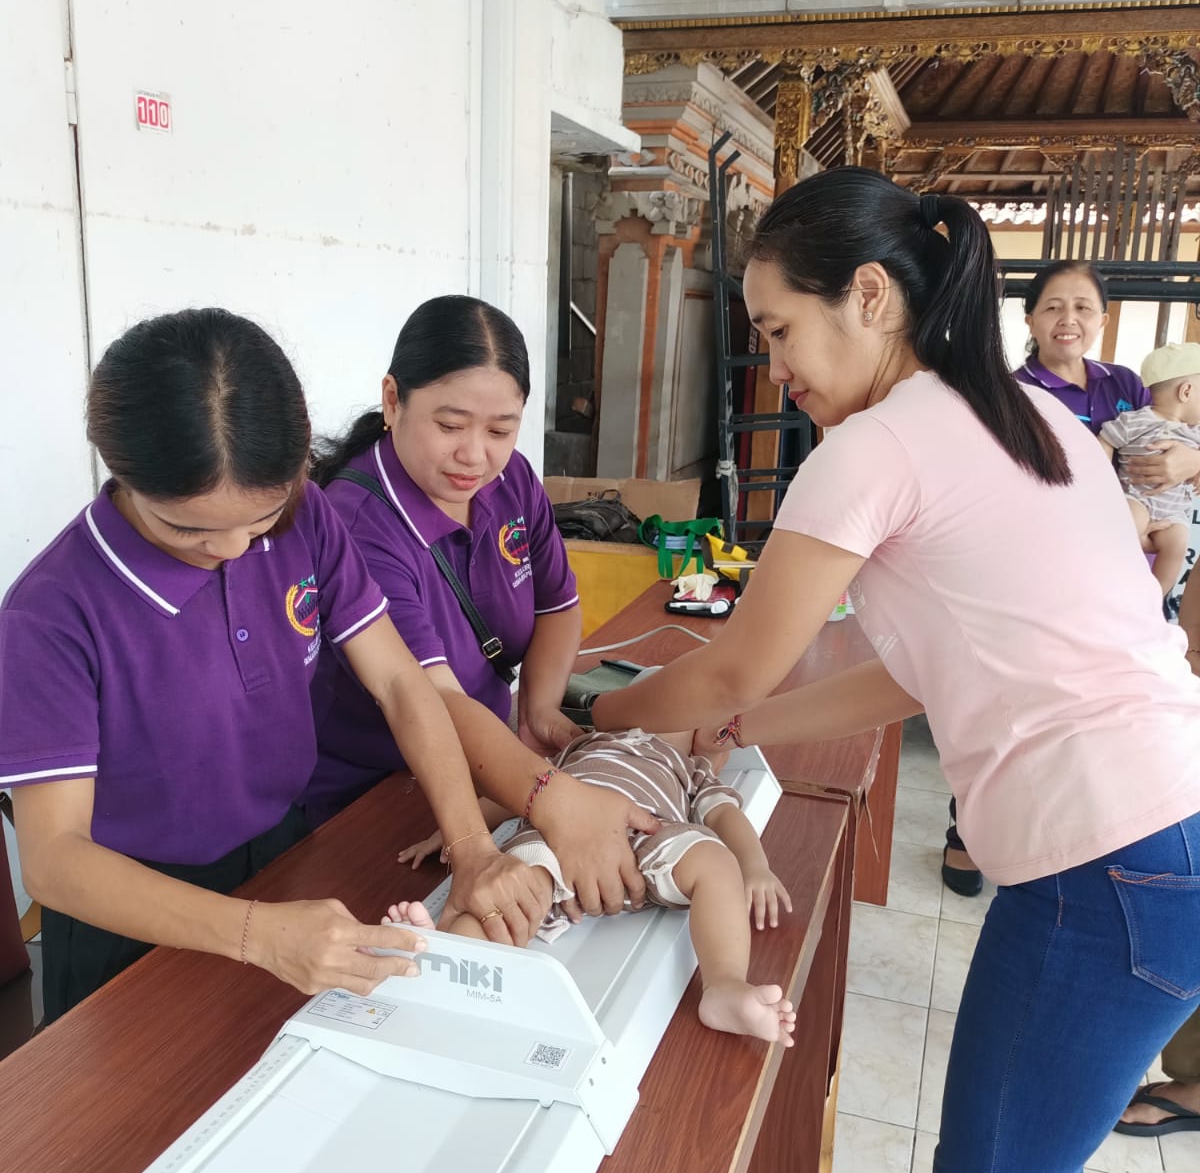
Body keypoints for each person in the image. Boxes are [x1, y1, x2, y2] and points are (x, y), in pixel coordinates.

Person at [590, 169, 1200, 1173]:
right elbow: (918, 674)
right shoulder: (1034, 425)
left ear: (870, 295)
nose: (774, 367)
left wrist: (597, 718)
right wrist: (752, 724)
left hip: (1106, 866)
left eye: (778, 329)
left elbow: (715, 673)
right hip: (1165, 829)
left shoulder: (873, 446)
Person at [0, 309, 493, 1021]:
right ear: (120, 468)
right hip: (135, 915)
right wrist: (255, 934)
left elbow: (398, 680)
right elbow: (55, 860)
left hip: (288, 857)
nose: (234, 550)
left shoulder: (312, 516)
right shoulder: (52, 613)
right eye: (188, 528)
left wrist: (471, 846)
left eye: (261, 521)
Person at [306, 296, 658, 948]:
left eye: (501, 430)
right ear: (392, 400)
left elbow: (556, 603)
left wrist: (541, 709)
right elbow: (431, 698)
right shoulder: (358, 523)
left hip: (489, 770)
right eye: (451, 424)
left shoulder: (511, 483)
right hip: (369, 798)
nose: (475, 455)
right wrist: (555, 801)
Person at [940, 259, 1197, 896]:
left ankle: (1074, 843)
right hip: (1040, 584)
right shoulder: (1008, 391)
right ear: (1028, 318)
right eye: (1054, 306)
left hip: (1125, 584)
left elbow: (1163, 448)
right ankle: (965, 835)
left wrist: (1188, 458)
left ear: (1102, 319)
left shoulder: (1126, 385)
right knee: (1011, 717)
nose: (1069, 320)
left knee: (1091, 726)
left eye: (1083, 307)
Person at [384, 725, 796, 1045]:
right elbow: (517, 791)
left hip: (647, 833)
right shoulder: (586, 744)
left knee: (716, 861)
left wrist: (754, 866)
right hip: (559, 834)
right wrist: (455, 828)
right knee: (512, 887)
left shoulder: (688, 768)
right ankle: (447, 956)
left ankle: (723, 984)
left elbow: (726, 817)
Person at [1100, 342, 1200, 599]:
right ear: (1187, 391)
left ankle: (1153, 601)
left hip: (1174, 511)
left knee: (1177, 544)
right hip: (1138, 498)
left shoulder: (1196, 433)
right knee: (1127, 526)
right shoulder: (1137, 421)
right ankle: (1117, 591)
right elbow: (1108, 439)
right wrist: (1105, 481)